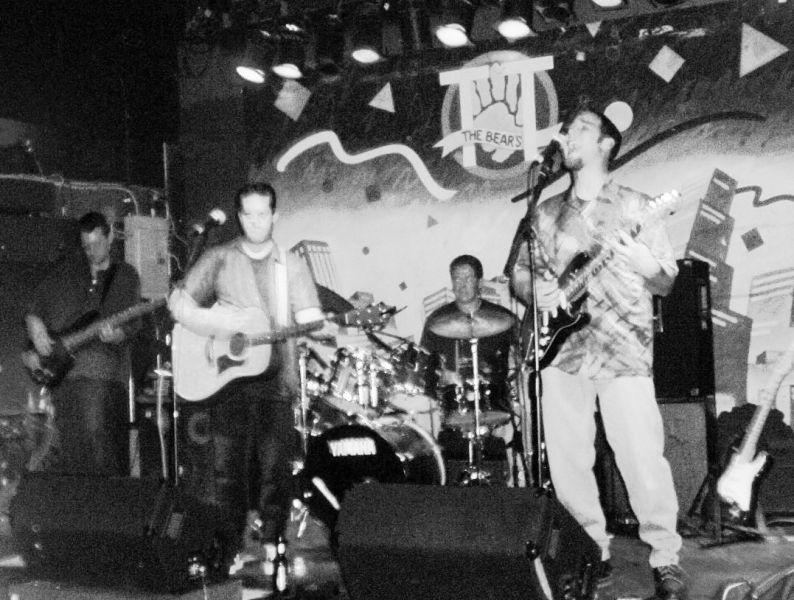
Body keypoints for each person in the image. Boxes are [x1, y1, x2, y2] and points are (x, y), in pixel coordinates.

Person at [510, 105, 686, 600]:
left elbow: (666, 282)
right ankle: (592, 550)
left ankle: (666, 556)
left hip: (623, 349)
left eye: (580, 129)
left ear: (606, 143)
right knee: (568, 464)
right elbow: (520, 273)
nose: (567, 135)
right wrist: (534, 290)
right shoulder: (544, 212)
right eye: (567, 130)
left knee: (642, 460)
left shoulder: (636, 206)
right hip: (562, 352)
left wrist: (648, 265)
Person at [168, 182, 333, 559]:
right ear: (239, 217)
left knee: (276, 470)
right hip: (227, 381)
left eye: (263, 214)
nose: (256, 222)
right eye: (248, 215)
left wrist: (323, 325)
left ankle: (274, 544)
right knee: (227, 472)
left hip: (278, 380)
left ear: (275, 215)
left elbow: (310, 316)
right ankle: (230, 549)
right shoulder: (219, 257)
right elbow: (178, 304)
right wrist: (222, 325)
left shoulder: (291, 265)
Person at [24, 211, 141, 476]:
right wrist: (34, 324)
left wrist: (116, 334)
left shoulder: (125, 275)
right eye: (86, 245)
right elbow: (35, 308)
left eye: (97, 243)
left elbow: (132, 327)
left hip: (101, 379)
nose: (91, 251)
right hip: (63, 379)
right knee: (67, 458)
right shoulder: (67, 274)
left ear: (110, 237)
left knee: (97, 457)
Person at [420, 254, 518, 483]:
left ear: (479, 282)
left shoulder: (502, 318)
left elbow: (521, 357)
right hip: (452, 400)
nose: (462, 284)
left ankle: (514, 482)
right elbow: (426, 365)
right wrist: (442, 375)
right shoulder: (437, 320)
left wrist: (514, 385)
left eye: (468, 278)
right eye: (457, 278)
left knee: (520, 420)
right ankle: (439, 481)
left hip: (495, 399)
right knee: (422, 416)